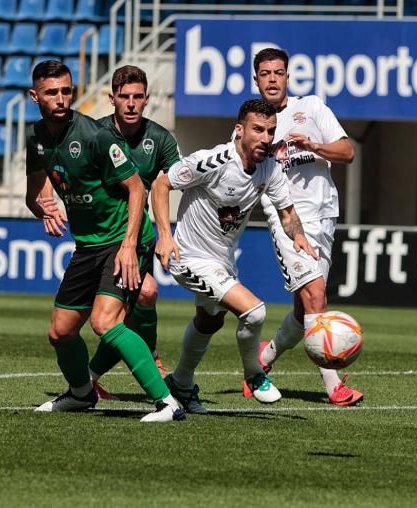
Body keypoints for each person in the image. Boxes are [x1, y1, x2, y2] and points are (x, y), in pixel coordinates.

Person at [24, 60, 184, 422]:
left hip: (122, 241)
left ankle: (168, 404)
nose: (62, 98)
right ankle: (81, 394)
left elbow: (137, 188)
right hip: (87, 245)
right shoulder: (35, 138)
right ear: (35, 96)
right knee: (60, 332)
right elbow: (34, 195)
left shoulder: (95, 136)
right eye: (52, 92)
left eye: (67, 91)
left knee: (105, 322)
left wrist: (130, 246)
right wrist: (42, 209)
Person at [150, 99, 318, 413]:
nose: (266, 138)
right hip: (188, 257)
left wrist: (300, 238)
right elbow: (161, 184)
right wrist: (165, 236)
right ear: (239, 131)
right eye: (258, 129)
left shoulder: (270, 168)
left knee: (209, 320)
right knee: (254, 312)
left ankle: (181, 383)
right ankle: (254, 374)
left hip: (223, 260)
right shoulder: (212, 161)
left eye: (270, 131)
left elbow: (288, 212)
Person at [251, 47, 363, 406]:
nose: (272, 79)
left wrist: (312, 145)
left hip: (324, 215)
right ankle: (335, 387)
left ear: (287, 76)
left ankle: (261, 362)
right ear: (256, 80)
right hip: (287, 220)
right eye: (265, 73)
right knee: (316, 297)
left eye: (278, 72)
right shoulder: (256, 125)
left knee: (305, 311)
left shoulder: (311, 108)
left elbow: (347, 152)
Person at [85, 65, 182, 400]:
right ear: (111, 98)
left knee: (145, 295)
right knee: (112, 315)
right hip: (102, 237)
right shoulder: (94, 135)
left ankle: (91, 377)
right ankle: (91, 377)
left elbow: (166, 185)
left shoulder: (160, 139)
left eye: (137, 97)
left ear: (147, 100)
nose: (130, 103)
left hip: (135, 238)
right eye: (123, 96)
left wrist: (166, 234)